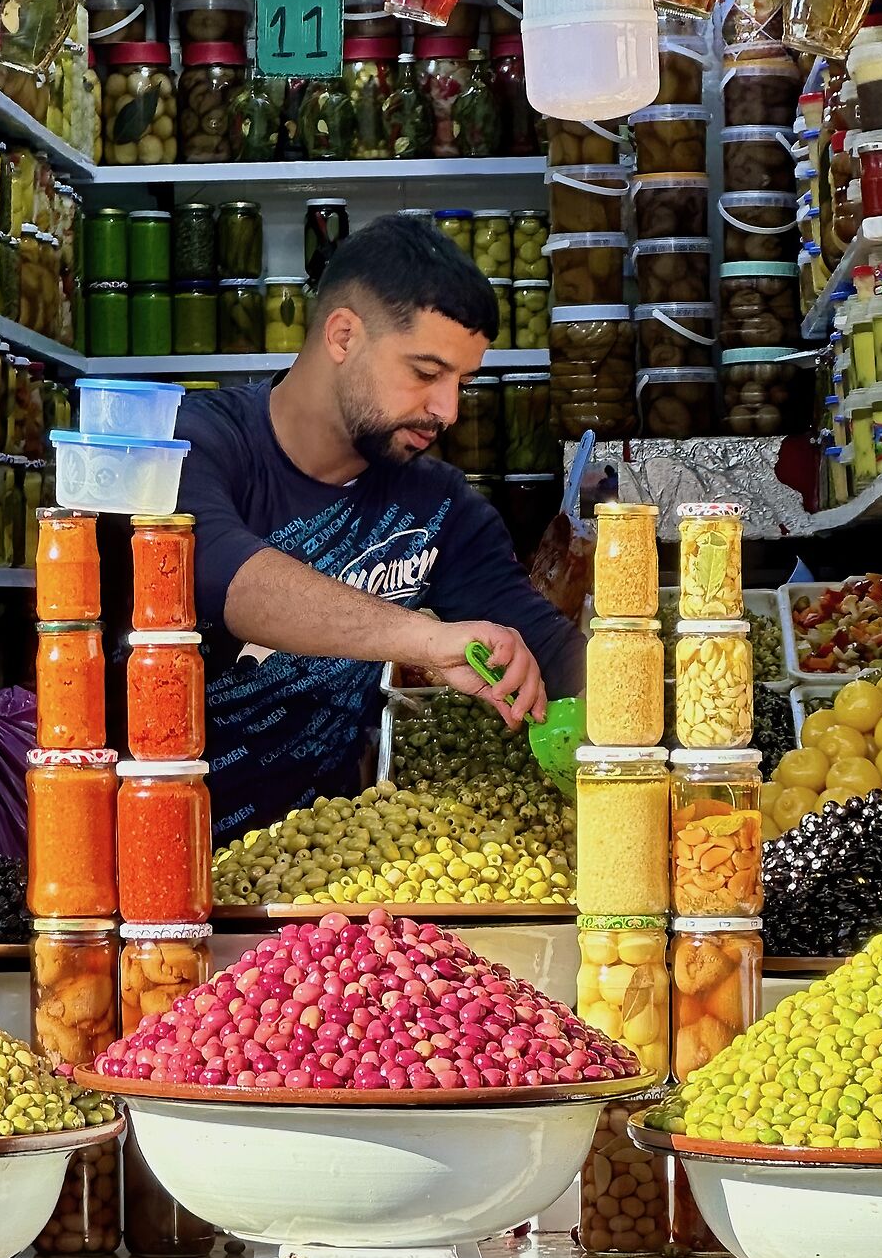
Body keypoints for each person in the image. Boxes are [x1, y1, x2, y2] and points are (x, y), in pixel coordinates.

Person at [175, 213, 585, 840]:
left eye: (461, 384)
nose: (447, 410)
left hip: (328, 867)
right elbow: (223, 576)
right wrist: (422, 637)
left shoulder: (439, 506)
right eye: (425, 373)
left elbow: (550, 651)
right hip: (162, 855)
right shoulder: (199, 441)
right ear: (343, 336)